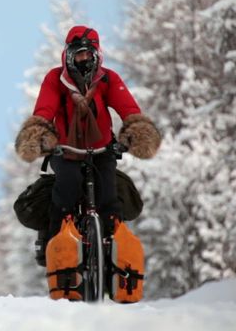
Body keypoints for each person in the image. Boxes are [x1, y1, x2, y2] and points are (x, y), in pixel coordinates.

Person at [14, 25, 161, 265]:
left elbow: (129, 108)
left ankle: (113, 252)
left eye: (88, 54)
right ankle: (55, 245)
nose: (83, 59)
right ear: (68, 55)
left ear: (96, 55)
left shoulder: (108, 79)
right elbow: (44, 110)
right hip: (65, 150)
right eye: (78, 54)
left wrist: (136, 133)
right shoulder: (55, 79)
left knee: (109, 197)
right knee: (67, 188)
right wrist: (39, 135)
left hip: (102, 149)